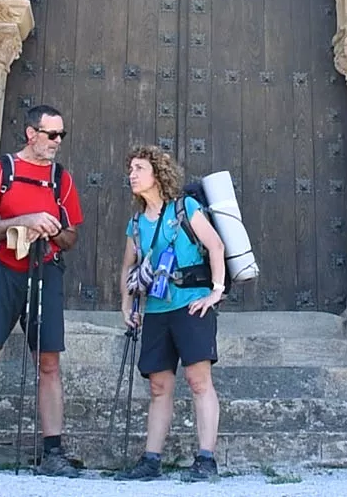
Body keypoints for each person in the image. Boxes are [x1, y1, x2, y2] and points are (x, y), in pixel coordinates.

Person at [0, 105, 84, 477]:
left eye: (61, 135)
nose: (57, 142)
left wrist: (53, 231)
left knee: (49, 363)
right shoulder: (1, 172)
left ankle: (53, 453)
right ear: (31, 133)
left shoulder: (62, 179)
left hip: (45, 271)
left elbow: (72, 236)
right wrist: (24, 221)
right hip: (2, 272)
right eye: (51, 134)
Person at [114, 144, 227, 482]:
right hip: (157, 310)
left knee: (198, 381)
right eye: (131, 169)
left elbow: (216, 246)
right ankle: (151, 460)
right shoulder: (135, 223)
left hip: (191, 304)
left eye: (139, 169)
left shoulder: (185, 208)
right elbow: (127, 267)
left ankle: (206, 460)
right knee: (159, 387)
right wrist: (125, 304)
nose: (132, 175)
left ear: (157, 175)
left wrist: (215, 293)